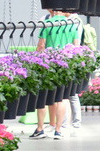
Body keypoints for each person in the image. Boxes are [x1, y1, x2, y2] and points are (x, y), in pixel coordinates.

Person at [32, 9, 79, 139]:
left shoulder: (47, 24)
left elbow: (41, 46)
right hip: (65, 65)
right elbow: (76, 47)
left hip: (48, 64)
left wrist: (36, 60)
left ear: (52, 11)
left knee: (43, 97)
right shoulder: (72, 25)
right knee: (62, 98)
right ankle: (58, 130)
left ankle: (40, 129)